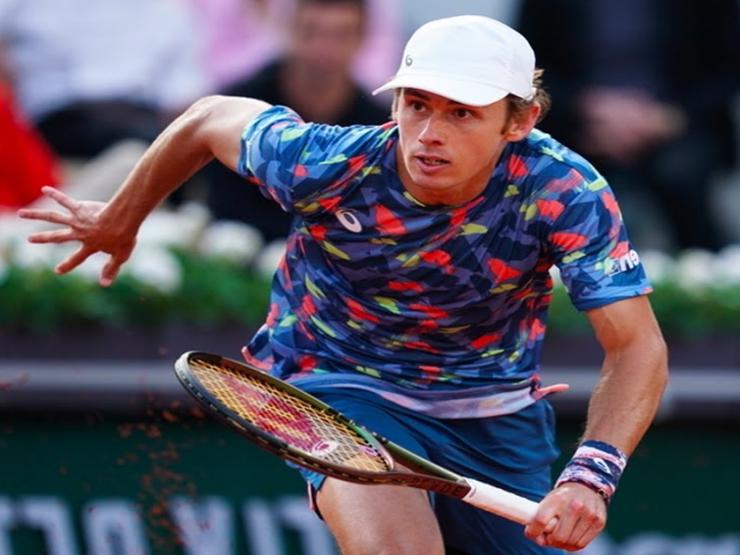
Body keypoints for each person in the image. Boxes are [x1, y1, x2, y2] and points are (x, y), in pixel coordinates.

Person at [19, 16, 668, 554]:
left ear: (519, 121)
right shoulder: (329, 162)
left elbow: (636, 346)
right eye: (416, 105)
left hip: (493, 415)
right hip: (341, 387)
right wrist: (122, 217)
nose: (430, 134)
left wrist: (591, 476)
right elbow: (209, 118)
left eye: (462, 113)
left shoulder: (565, 191)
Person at [516, 0, 740, 252]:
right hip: (580, 127)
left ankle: (702, 266)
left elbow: (727, 66)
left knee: (682, 176)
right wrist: (585, 107)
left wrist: (670, 116)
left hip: (680, 126)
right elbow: (527, 67)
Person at [205, 0, 391, 241]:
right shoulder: (241, 106)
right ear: (289, 29)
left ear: (362, 39)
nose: (325, 48)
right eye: (311, 33)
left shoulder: (378, 126)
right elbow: (222, 203)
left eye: (341, 36)